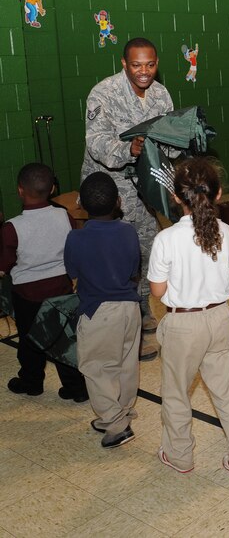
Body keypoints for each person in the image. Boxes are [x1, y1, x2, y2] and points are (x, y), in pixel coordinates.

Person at [148, 157, 229, 482]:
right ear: (219, 193)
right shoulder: (225, 231)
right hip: (221, 319)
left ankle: (180, 456)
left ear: (175, 196)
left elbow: (157, 291)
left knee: (176, 393)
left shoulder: (166, 239)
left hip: (183, 326)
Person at [81, 37, 175, 361]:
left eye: (150, 64)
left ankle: (143, 305)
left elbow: (168, 140)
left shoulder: (161, 95)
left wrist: (182, 140)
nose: (144, 71)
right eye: (136, 65)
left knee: (149, 247)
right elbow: (96, 143)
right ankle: (126, 323)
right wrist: (127, 150)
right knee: (121, 255)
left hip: (144, 185)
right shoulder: (103, 93)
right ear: (124, 63)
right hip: (110, 190)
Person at [64, 172, 141, 448]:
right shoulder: (129, 232)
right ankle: (121, 412)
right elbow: (134, 271)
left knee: (97, 368)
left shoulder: (75, 239)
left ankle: (116, 424)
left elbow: (72, 272)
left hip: (98, 312)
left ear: (80, 204)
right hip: (131, 309)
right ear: (119, 201)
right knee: (126, 365)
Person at [1, 164, 88, 402]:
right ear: (51, 189)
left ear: (20, 191)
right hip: (62, 291)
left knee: (30, 341)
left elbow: (5, 264)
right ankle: (76, 388)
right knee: (63, 340)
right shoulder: (64, 216)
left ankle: (32, 383)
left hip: (27, 296)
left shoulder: (12, 227)